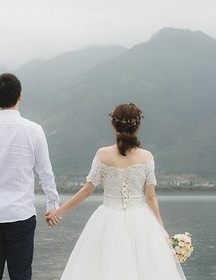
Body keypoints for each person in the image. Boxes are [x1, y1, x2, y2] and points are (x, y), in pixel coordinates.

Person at [45, 103, 188, 280]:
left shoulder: (102, 155)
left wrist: (58, 211)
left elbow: (87, 190)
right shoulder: (147, 157)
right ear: (138, 126)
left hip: (108, 219)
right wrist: (161, 229)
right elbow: (150, 197)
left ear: (113, 125)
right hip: (142, 221)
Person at [0, 73, 60, 280]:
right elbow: (45, 171)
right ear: (20, 95)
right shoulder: (34, 130)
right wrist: (52, 205)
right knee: (21, 275)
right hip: (21, 215)